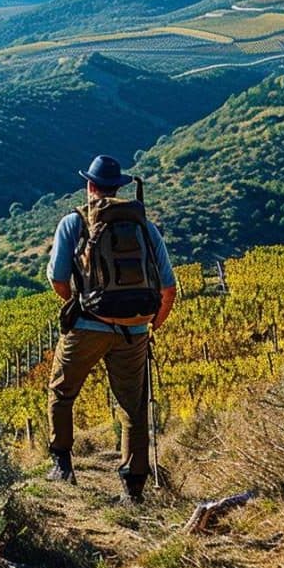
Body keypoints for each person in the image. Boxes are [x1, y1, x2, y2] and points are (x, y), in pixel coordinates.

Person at [45, 155, 177, 503]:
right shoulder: (146, 227)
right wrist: (151, 325)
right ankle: (133, 487)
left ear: (89, 185)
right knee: (133, 407)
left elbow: (57, 279)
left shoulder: (73, 222)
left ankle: (62, 464)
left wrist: (76, 300)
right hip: (134, 330)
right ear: (118, 187)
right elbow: (169, 290)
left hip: (89, 325)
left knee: (61, 391)